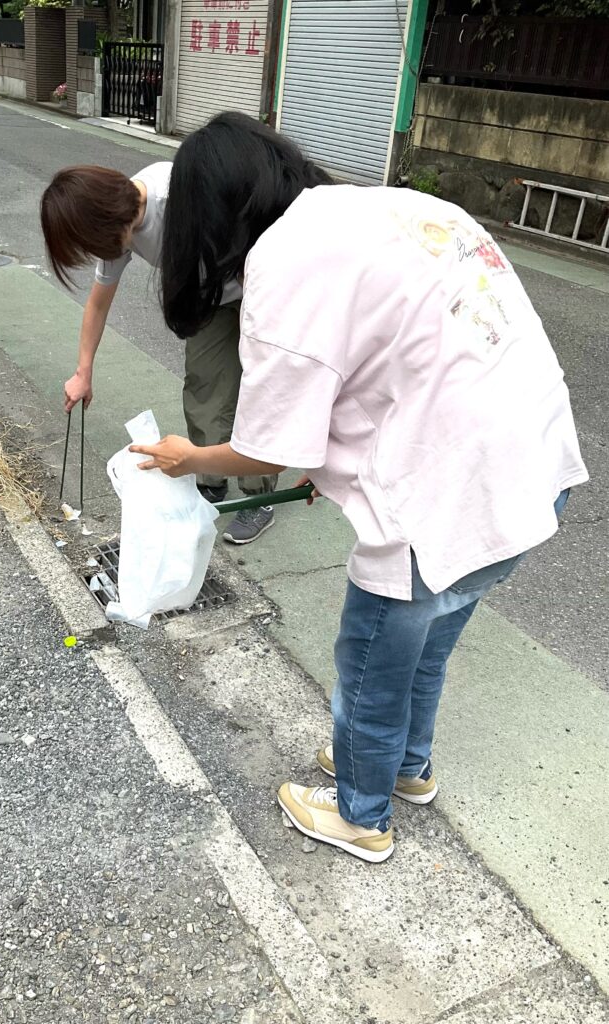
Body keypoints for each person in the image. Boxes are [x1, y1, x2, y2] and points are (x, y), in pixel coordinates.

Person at [132, 112, 588, 863]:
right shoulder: (387, 205)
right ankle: (404, 767)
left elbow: (270, 447)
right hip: (535, 464)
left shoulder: (282, 262)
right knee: (425, 647)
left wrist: (190, 457)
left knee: (371, 658)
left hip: (449, 492)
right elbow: (397, 358)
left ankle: (361, 814)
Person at [40, 158, 327, 543]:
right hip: (208, 299)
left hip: (261, 288)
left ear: (106, 220)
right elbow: (97, 303)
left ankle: (258, 496)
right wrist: (83, 371)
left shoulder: (177, 195)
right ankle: (211, 480)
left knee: (258, 389)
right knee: (204, 386)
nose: (97, 253)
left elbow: (257, 240)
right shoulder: (116, 226)